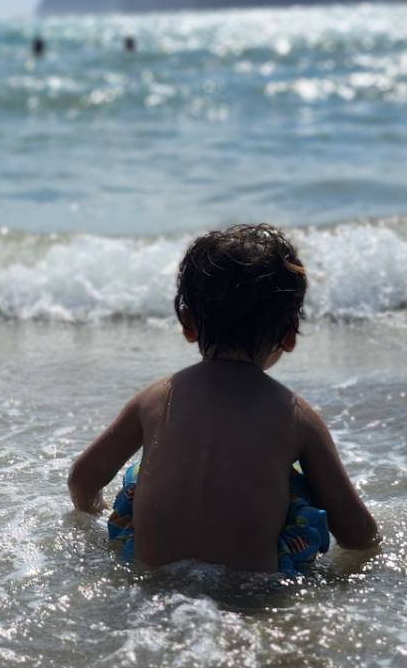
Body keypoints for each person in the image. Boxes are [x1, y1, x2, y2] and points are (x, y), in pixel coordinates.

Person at [67, 224, 379, 574]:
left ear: (187, 323)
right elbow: (357, 535)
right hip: (250, 598)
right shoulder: (296, 417)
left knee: (136, 482)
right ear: (289, 336)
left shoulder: (154, 400)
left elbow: (83, 478)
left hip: (152, 584)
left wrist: (97, 520)